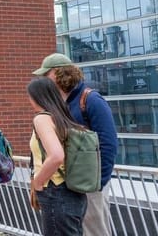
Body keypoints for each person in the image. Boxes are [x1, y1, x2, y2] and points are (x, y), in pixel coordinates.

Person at [33, 53, 117, 235]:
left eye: (45, 75)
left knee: (94, 231)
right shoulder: (61, 103)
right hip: (69, 185)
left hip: (90, 184)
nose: (42, 80)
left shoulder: (91, 100)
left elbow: (108, 144)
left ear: (56, 73)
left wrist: (97, 183)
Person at [27, 77, 88, 235]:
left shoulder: (42, 118)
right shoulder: (62, 118)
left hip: (55, 190)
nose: (29, 100)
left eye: (30, 96)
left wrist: (38, 182)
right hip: (73, 190)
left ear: (38, 96)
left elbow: (56, 155)